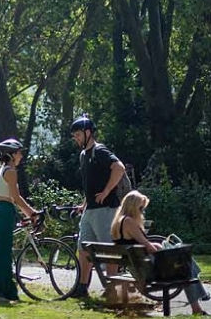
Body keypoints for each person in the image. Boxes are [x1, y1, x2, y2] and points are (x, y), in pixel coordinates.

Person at [112, 190, 209, 315]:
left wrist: (156, 245)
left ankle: (198, 305)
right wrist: (157, 247)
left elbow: (140, 245)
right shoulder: (129, 222)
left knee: (185, 264)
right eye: (141, 208)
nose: (142, 212)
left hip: (136, 267)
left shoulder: (118, 222)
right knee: (185, 267)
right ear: (133, 207)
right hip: (146, 271)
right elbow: (147, 246)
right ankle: (198, 306)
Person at [71, 114, 127, 298]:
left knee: (110, 249)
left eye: (78, 134)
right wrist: (84, 203)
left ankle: (112, 288)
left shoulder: (100, 151)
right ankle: (81, 287)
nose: (76, 138)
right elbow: (90, 184)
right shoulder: (83, 155)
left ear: (88, 133)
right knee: (83, 247)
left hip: (106, 209)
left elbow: (119, 168)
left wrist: (106, 191)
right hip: (90, 210)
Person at [0, 138, 37, 305]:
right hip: (4, 211)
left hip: (1, 211)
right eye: (19, 153)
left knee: (4, 252)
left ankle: (9, 291)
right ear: (12, 154)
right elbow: (16, 198)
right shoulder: (11, 171)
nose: (21, 156)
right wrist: (31, 212)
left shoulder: (3, 170)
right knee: (1, 253)